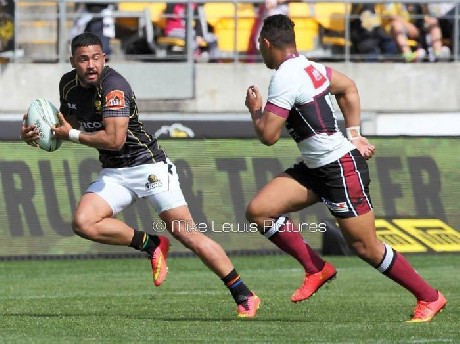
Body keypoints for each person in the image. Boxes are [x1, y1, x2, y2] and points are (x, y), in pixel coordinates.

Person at [20, 32, 260, 318]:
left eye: (96, 57)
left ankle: (244, 294)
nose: (91, 64)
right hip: (115, 171)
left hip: (148, 166)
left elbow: (114, 140)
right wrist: (38, 135)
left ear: (104, 58)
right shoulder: (68, 85)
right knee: (83, 222)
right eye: (83, 59)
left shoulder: (114, 86)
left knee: (188, 234)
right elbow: (66, 125)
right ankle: (152, 244)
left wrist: (68, 134)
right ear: (73, 62)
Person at [244, 14, 446, 322]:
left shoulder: (285, 76)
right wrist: (354, 133)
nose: (260, 51)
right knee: (260, 210)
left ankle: (430, 297)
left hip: (338, 168)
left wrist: (255, 110)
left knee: (366, 247)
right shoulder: (310, 67)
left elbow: (268, 136)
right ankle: (316, 267)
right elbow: (348, 87)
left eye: (260, 45)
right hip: (317, 166)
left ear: (267, 43)